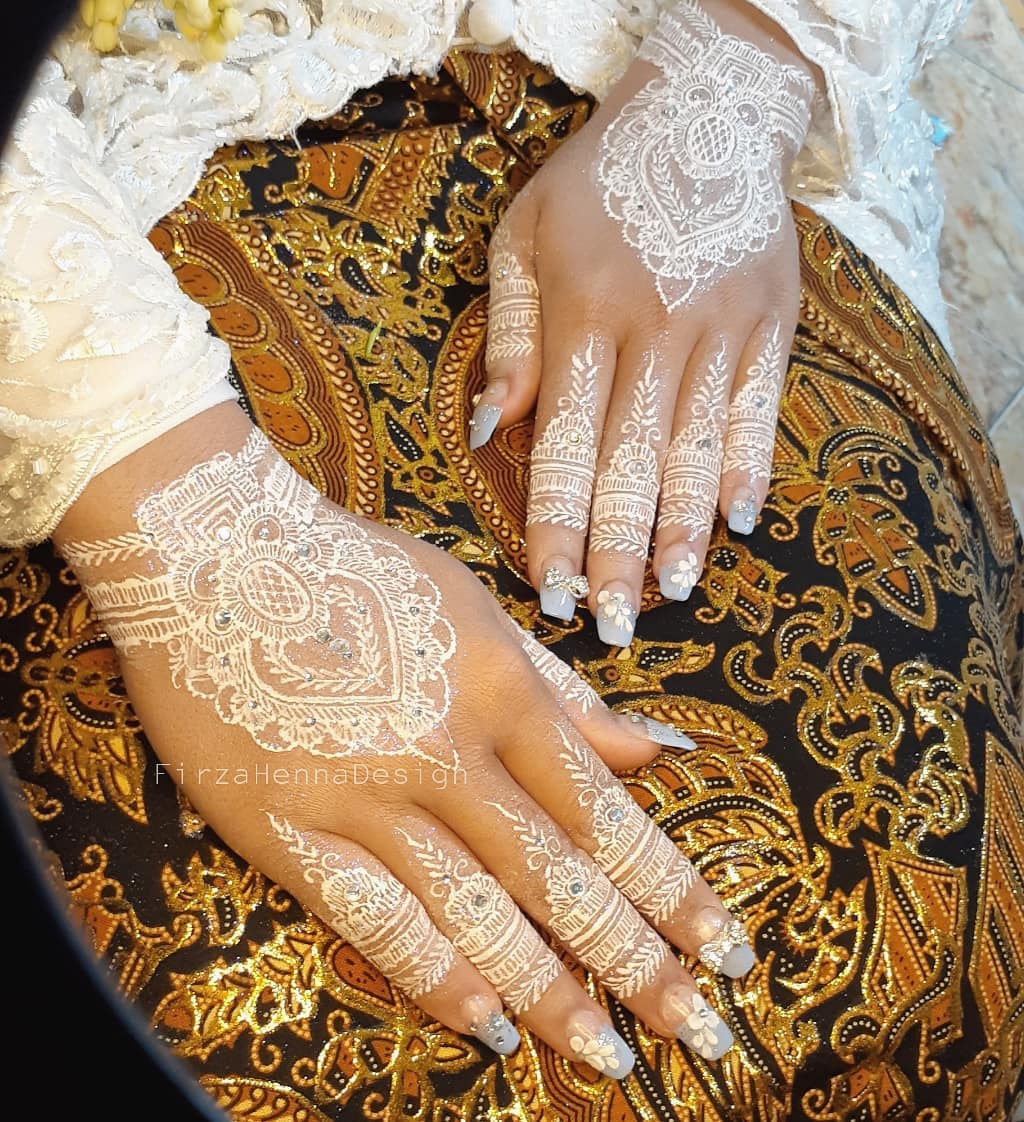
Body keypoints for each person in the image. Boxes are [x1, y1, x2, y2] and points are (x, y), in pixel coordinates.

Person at [1, 1, 1022, 1119]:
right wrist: (181, 510)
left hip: (613, 77)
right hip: (85, 237)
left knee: (935, 873)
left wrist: (731, 79)